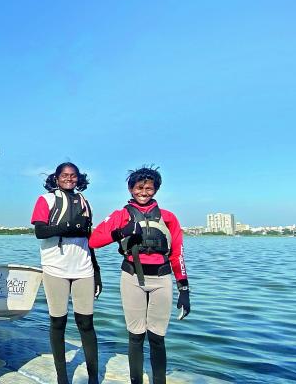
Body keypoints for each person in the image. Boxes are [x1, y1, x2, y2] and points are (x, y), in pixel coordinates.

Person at [89, 166, 190, 384]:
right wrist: (122, 232)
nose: (143, 192)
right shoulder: (121, 215)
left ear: (156, 190)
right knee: (136, 336)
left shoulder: (168, 217)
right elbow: (94, 241)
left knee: (157, 337)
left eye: (149, 188)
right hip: (132, 278)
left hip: (162, 279)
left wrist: (184, 289)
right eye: (139, 188)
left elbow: (178, 254)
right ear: (130, 189)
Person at [30, 162, 101, 384]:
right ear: (56, 178)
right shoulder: (46, 200)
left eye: (73, 175)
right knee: (58, 322)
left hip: (83, 268)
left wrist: (96, 271)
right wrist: (68, 226)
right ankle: (62, 377)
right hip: (55, 269)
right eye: (64, 175)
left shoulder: (85, 202)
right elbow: (40, 231)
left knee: (86, 323)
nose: (69, 178)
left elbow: (89, 239)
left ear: (79, 178)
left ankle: (93, 377)